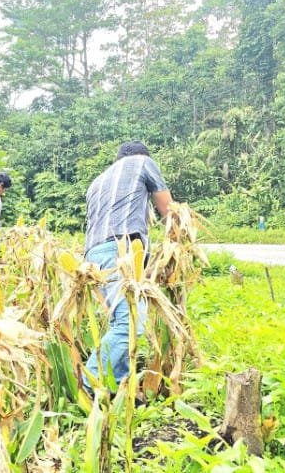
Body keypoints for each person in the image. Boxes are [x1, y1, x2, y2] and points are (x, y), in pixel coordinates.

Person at [83, 140, 172, 392]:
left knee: (121, 321)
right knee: (131, 323)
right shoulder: (143, 162)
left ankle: (118, 388)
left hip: (93, 254)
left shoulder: (98, 180)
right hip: (119, 251)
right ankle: (88, 384)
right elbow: (169, 211)